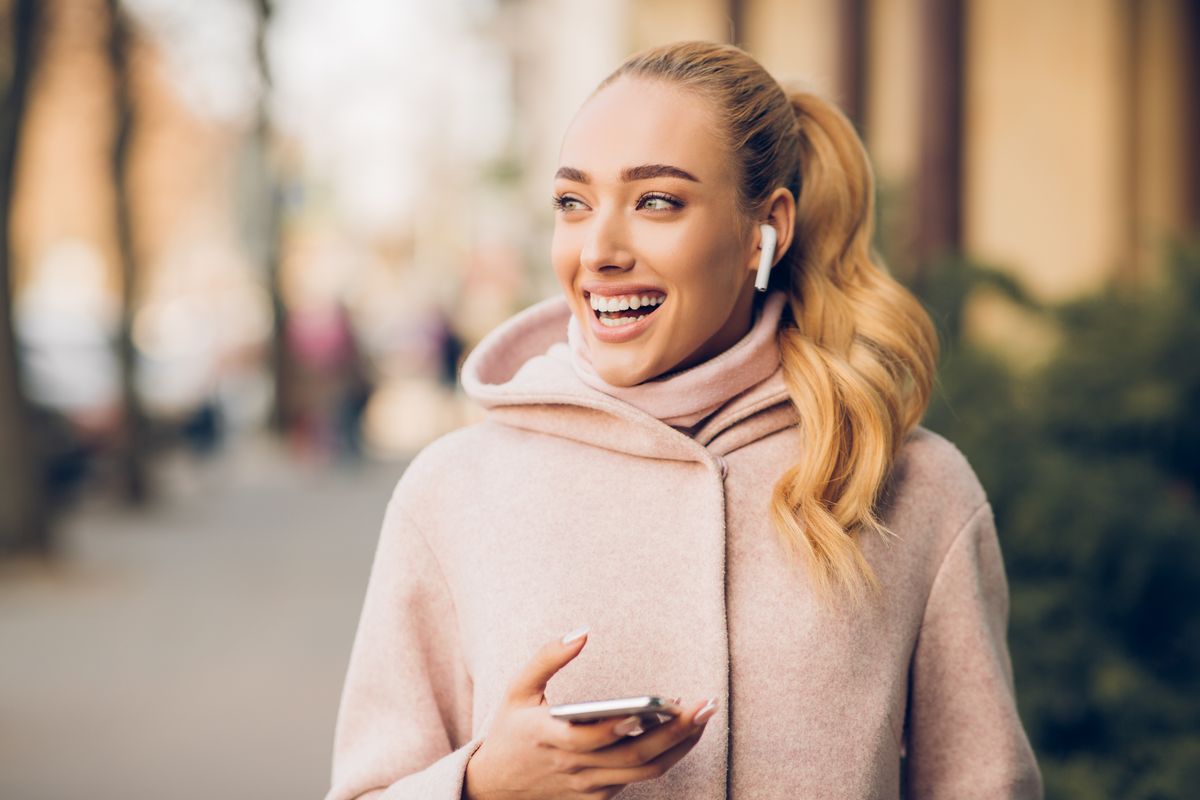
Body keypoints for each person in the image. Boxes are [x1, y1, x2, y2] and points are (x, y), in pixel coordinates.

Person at [324, 41, 1043, 800]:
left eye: (656, 201)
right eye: (574, 203)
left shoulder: (911, 486)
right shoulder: (453, 490)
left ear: (766, 229)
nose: (598, 250)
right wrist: (481, 785)